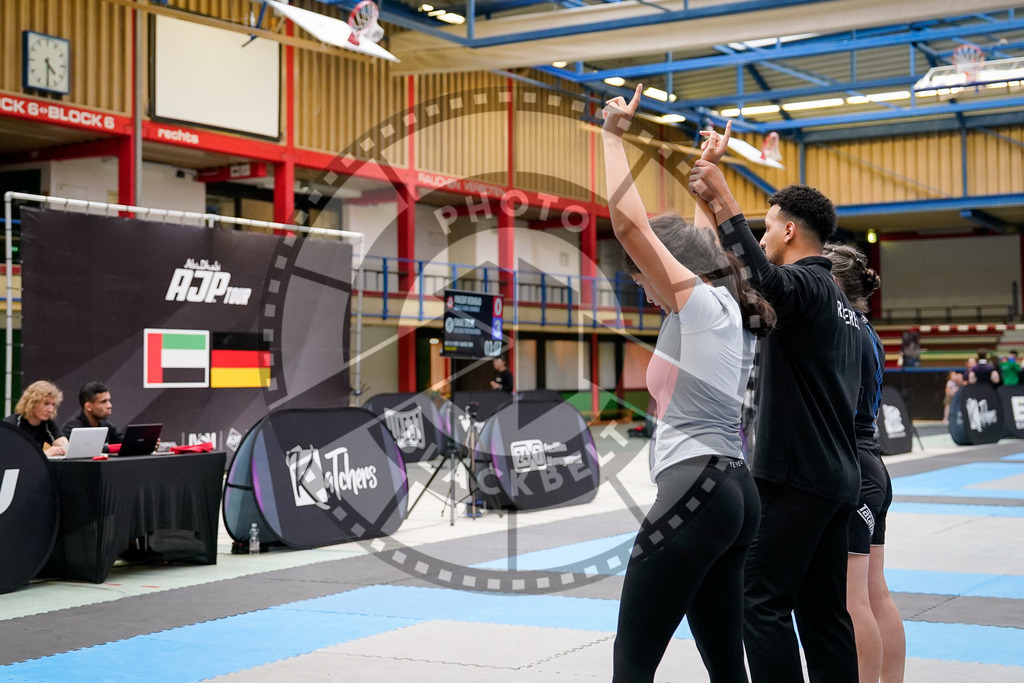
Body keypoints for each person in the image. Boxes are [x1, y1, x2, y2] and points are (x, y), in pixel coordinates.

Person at [605, 86, 775, 682]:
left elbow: (630, 229)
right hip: (735, 492)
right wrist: (708, 175)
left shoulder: (700, 306)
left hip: (693, 491)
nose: (646, 291)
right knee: (727, 665)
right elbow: (705, 248)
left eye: (643, 281)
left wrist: (611, 138)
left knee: (633, 664)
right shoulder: (731, 303)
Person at [690, 134, 862, 682]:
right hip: (836, 476)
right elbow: (742, 281)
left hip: (798, 476)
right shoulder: (836, 302)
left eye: (766, 227)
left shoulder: (810, 284)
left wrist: (725, 198)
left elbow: (764, 280)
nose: (762, 238)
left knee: (758, 600)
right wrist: (710, 204)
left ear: (789, 229)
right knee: (823, 614)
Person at [824, 243, 906, 683]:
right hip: (872, 463)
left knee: (852, 600)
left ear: (832, 284)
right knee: (875, 593)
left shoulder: (844, 331)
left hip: (854, 467)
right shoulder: (868, 332)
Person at [3, 380, 69, 458]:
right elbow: (11, 455)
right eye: (46, 404)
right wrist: (44, 453)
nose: (50, 410)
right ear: (32, 403)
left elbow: (62, 442)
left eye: (53, 404)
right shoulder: (12, 424)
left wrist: (64, 448)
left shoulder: (47, 423)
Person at [62, 381, 124, 447]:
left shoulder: (107, 426)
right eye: (103, 402)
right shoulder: (71, 429)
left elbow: (125, 443)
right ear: (88, 406)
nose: (109, 405)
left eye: (109, 400)